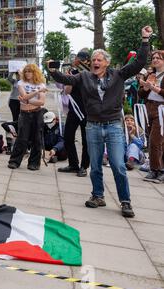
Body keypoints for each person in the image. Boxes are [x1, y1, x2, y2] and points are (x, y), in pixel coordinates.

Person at [48, 26, 153, 218]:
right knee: (95, 165)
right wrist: (53, 70)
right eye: (94, 59)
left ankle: (125, 201)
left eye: (99, 60)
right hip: (93, 125)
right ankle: (98, 195)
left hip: (113, 125)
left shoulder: (119, 75)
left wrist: (145, 40)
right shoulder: (84, 76)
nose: (96, 62)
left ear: (106, 63)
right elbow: (66, 79)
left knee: (118, 165)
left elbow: (139, 63)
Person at [58, 50, 91, 178]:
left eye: (81, 60)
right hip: (74, 109)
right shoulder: (73, 72)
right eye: (78, 59)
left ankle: (84, 166)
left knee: (86, 140)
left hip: (88, 110)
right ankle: (73, 164)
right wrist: (68, 79)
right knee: (68, 137)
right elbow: (67, 91)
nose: (78, 61)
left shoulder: (92, 73)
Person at [8, 64, 47, 170]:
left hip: (37, 113)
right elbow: (24, 96)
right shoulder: (21, 83)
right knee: (22, 138)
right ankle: (14, 161)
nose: (27, 73)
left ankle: (34, 163)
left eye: (30, 71)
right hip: (24, 113)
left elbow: (41, 102)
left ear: (35, 72)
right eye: (26, 71)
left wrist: (28, 100)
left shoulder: (41, 84)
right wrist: (37, 92)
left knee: (36, 139)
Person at [139, 50, 164, 183]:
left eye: (158, 58)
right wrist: (146, 88)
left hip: (162, 110)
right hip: (150, 109)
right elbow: (141, 94)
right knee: (153, 140)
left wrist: (155, 88)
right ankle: (155, 169)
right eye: (153, 58)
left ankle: (158, 170)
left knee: (156, 140)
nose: (155, 60)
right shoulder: (151, 74)